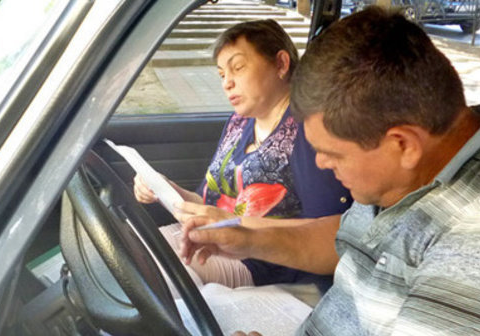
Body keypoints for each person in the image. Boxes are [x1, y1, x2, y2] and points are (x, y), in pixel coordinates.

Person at [183, 7, 480, 335]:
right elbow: (342, 242)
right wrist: (246, 238)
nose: (320, 163)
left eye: (331, 153)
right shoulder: (404, 175)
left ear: (404, 145)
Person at [134, 19, 352, 290]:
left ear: (281, 64)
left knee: (151, 273)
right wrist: (169, 190)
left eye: (238, 68)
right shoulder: (238, 124)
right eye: (222, 74)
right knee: (130, 246)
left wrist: (238, 227)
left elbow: (332, 232)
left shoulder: (309, 132)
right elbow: (211, 207)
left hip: (265, 266)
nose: (227, 83)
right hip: (211, 242)